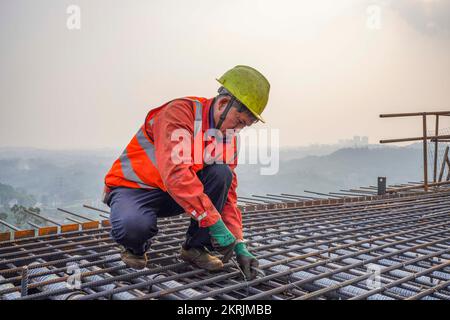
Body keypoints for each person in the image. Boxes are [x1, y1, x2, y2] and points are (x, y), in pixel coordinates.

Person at [103, 65, 270, 280]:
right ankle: (135, 246)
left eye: (243, 126)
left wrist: (239, 243)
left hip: (174, 196)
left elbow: (227, 195)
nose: (236, 130)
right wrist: (215, 224)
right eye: (238, 122)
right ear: (223, 104)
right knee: (134, 227)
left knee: (222, 174)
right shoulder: (180, 113)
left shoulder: (228, 139)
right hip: (134, 189)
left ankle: (196, 248)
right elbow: (175, 173)